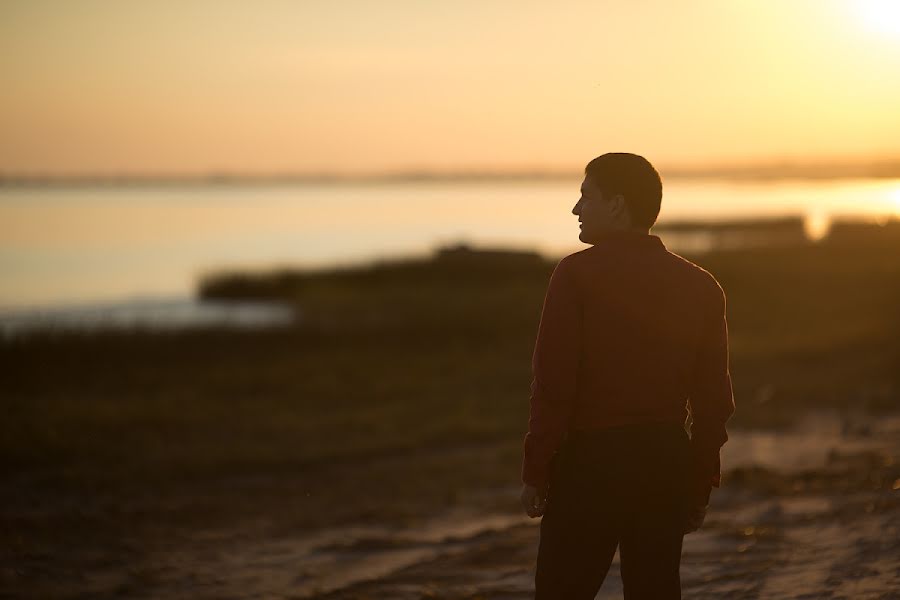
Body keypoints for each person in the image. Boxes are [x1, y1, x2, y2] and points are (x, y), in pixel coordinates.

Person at [520, 153, 735, 599]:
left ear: (617, 205)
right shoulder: (701, 285)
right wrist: (698, 479)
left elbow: (553, 387)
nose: (576, 209)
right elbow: (714, 401)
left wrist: (536, 470)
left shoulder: (575, 275)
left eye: (585, 196)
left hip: (589, 467)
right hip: (664, 464)